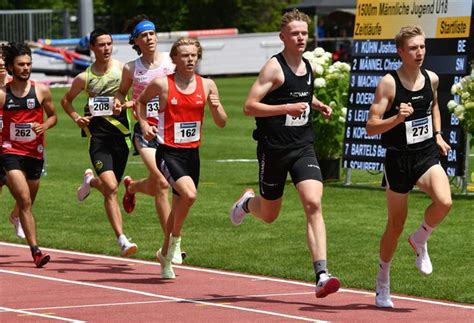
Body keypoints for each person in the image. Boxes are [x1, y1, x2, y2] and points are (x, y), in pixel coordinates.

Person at [229, 9, 340, 299]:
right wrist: (285, 109)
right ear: (283, 37)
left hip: (303, 146)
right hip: (274, 149)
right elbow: (249, 106)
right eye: (295, 33)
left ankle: (322, 274)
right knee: (269, 214)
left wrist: (316, 105)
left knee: (314, 203)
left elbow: (301, 94)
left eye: (304, 32)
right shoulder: (274, 68)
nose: (301, 37)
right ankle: (246, 204)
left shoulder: (308, 66)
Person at [366, 25, 452, 308]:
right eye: (413, 48)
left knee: (444, 201)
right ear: (400, 52)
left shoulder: (432, 78)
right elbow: (370, 126)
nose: (419, 53)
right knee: (395, 224)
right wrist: (396, 120)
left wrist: (438, 135)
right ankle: (382, 282)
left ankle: (420, 239)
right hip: (398, 159)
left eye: (422, 47)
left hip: (425, 154)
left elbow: (434, 107)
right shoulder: (389, 84)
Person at [137, 37, 227, 279]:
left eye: (193, 55)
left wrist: (217, 108)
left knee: (178, 208)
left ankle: (164, 257)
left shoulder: (207, 85)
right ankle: (176, 242)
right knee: (189, 195)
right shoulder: (162, 84)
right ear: (174, 59)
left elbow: (222, 123)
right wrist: (144, 123)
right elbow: (141, 102)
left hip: (192, 154)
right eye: (184, 55)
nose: (190, 59)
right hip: (168, 152)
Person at [61, 28, 137, 257]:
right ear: (92, 48)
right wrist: (76, 117)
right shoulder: (84, 78)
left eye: (109, 43)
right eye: (101, 44)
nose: (106, 48)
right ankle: (122, 239)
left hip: (122, 137)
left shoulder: (123, 70)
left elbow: (139, 95)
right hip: (98, 140)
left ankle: (90, 182)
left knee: (108, 188)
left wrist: (130, 103)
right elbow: (66, 100)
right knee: (112, 188)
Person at [113, 15, 179, 261]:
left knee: (163, 182)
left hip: (170, 130)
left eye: (152, 33)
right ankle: (170, 245)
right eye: (144, 35)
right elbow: (121, 92)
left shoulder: (171, 62)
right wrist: (121, 103)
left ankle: (133, 187)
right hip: (145, 131)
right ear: (136, 41)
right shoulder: (132, 68)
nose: (150, 38)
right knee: (163, 182)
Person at [0, 42, 57, 267]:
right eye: (21, 64)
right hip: (9, 151)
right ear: (12, 68)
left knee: (29, 200)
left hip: (34, 152)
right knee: (23, 199)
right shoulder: (3, 94)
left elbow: (53, 116)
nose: (25, 68)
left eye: (28, 64)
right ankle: (36, 251)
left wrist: (45, 125)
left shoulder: (41, 90)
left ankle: (15, 218)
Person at [0, 48, 25, 239]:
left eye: (2, 64)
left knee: (26, 190)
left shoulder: (14, 86)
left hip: (16, 145)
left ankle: (16, 216)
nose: (1, 67)